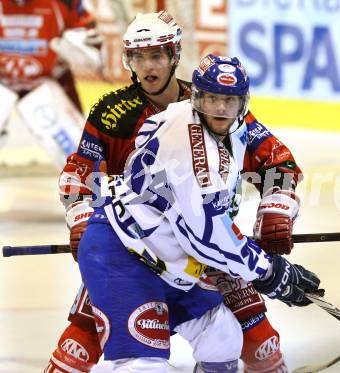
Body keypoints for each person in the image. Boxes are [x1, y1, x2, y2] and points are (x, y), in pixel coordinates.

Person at [49, 11, 305, 373]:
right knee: (82, 339)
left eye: (156, 56)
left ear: (174, 56)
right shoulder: (112, 114)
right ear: (128, 60)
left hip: (209, 249)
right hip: (136, 241)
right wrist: (81, 217)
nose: (148, 67)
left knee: (255, 341)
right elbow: (79, 173)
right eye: (139, 57)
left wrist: (276, 209)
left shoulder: (215, 100)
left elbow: (278, 163)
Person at [0, 0, 102, 169]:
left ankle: (94, 188)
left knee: (83, 163)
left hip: (48, 81)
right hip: (2, 82)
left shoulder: (66, 3)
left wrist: (80, 50)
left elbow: (94, 50)